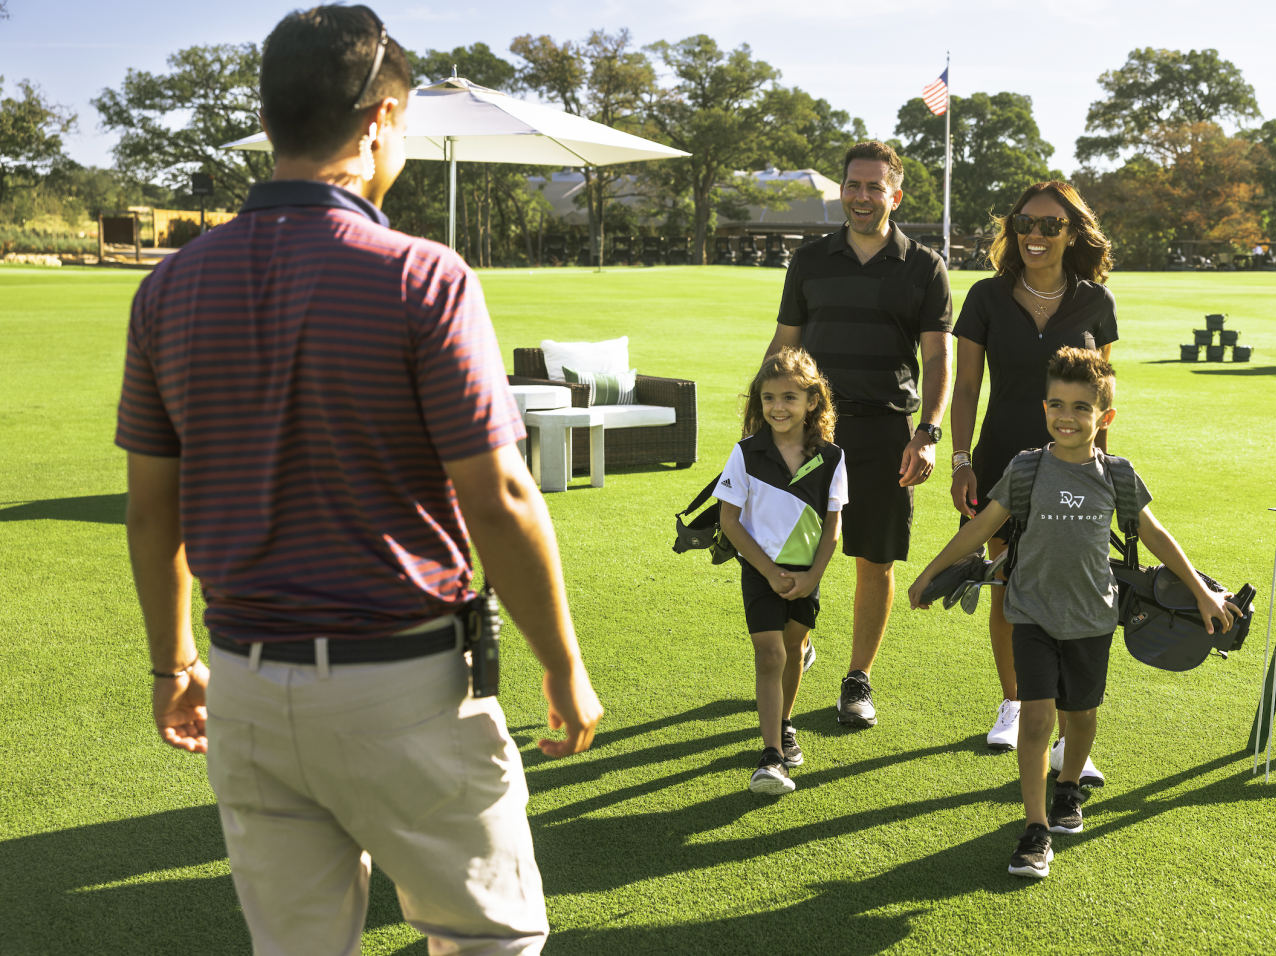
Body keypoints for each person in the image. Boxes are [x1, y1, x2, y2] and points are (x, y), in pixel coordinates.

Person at [116, 7, 602, 953]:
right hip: (403, 683)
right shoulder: (424, 276)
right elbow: (498, 497)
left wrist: (173, 662)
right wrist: (564, 665)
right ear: (380, 118)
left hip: (248, 691)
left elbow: (151, 510)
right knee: (487, 938)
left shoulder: (167, 287)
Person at [910, 347, 1235, 878]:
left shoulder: (1117, 475)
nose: (1067, 417)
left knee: (1080, 718)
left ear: (1104, 418)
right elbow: (979, 528)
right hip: (1031, 613)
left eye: (1082, 408)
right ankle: (1035, 829)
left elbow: (1155, 535)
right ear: (1044, 409)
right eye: (1057, 405)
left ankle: (1068, 787)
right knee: (1037, 718)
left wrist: (1200, 591)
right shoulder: (1026, 468)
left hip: (1093, 619)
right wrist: (929, 572)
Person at [766, 140, 952, 729]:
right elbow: (785, 345)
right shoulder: (810, 261)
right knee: (793, 550)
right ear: (841, 191)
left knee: (874, 559)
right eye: (853, 185)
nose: (863, 196)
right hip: (810, 432)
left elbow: (938, 360)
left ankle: (857, 676)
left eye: (875, 187)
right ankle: (798, 645)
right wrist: (760, 420)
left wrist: (927, 432)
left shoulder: (924, 266)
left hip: (887, 433)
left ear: (896, 194)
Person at [948, 181, 1118, 764]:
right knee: (1008, 585)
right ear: (1011, 231)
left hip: (1076, 470)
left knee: (1072, 591)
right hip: (1002, 462)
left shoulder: (1096, 301)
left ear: (1072, 233)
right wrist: (961, 460)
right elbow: (966, 385)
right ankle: (1015, 706)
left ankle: (1074, 736)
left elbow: (1100, 395)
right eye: (1025, 225)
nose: (1036, 236)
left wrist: (1105, 474)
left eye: (1050, 226)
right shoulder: (985, 297)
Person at [716, 348, 847, 794]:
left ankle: (785, 723)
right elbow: (729, 522)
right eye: (768, 397)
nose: (777, 407)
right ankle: (771, 756)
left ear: (812, 401)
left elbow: (833, 528)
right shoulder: (746, 454)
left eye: (789, 397)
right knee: (770, 654)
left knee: (793, 650)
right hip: (760, 570)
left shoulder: (832, 459)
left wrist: (811, 578)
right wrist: (770, 572)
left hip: (806, 575)